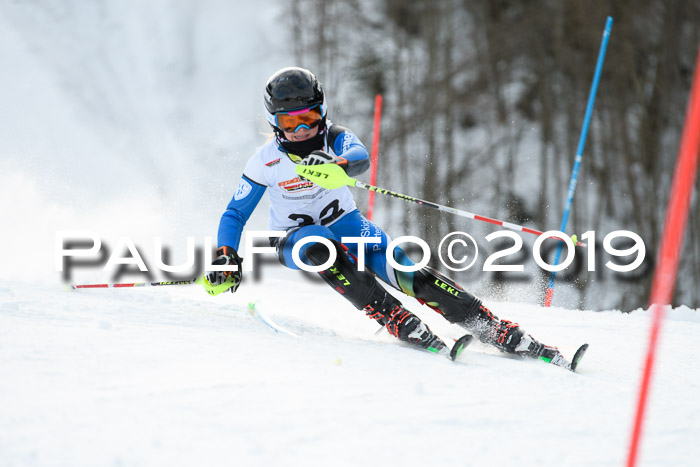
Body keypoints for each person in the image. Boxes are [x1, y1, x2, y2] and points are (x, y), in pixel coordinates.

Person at [202, 66, 568, 364]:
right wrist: (227, 256)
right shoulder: (265, 160)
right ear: (273, 122)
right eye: (288, 123)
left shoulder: (336, 138)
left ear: (323, 112)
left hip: (344, 223)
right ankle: (390, 315)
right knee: (320, 247)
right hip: (292, 239)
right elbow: (235, 213)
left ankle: (489, 325)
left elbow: (359, 157)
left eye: (309, 118)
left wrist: (339, 165)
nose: (300, 130)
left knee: (405, 271)